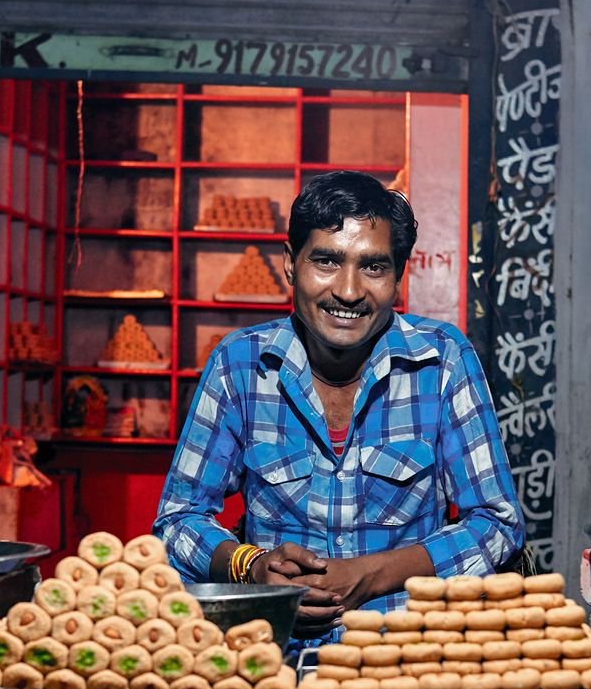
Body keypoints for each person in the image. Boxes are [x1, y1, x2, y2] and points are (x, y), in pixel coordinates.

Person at [153, 170, 524, 640]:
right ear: (290, 264)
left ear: (397, 275)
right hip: (272, 655)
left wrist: (370, 576)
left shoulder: (443, 360)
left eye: (373, 267)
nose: (348, 291)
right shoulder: (240, 364)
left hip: (405, 657)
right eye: (326, 261)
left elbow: (497, 523)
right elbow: (176, 520)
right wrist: (252, 566)